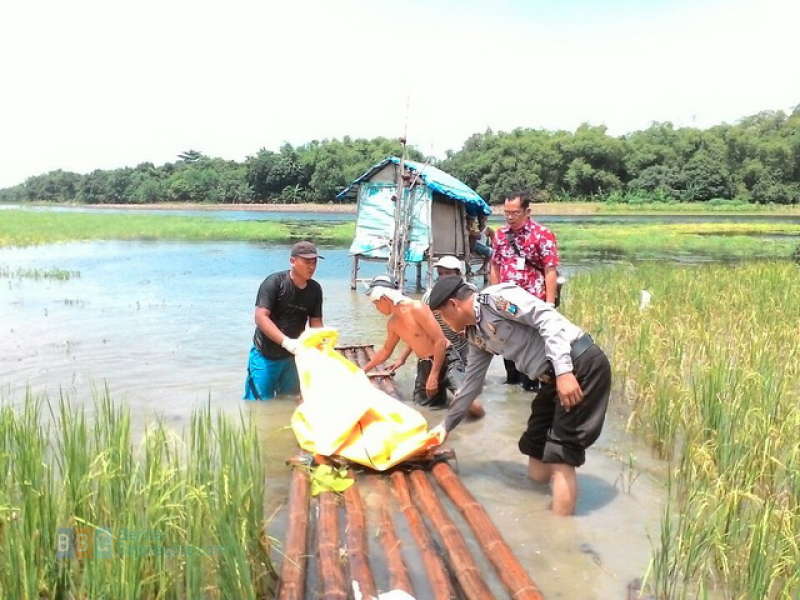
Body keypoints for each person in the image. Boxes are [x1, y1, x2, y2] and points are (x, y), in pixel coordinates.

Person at [427, 276, 610, 516]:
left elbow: (548, 319)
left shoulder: (497, 300)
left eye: (442, 316)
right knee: (535, 442)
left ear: (453, 304)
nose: (444, 322)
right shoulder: (475, 334)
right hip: (552, 378)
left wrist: (564, 371)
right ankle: (535, 514)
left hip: (579, 365)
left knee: (561, 452)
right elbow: (471, 384)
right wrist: (445, 427)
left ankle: (560, 531)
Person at [361, 276, 483, 418]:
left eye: (376, 304)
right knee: (424, 410)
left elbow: (439, 341)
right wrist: (363, 370)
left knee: (470, 404)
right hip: (425, 365)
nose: (377, 308)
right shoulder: (393, 323)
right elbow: (386, 351)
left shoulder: (417, 308)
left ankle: (485, 425)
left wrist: (434, 375)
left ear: (384, 299)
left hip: (447, 359)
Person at [490, 190, 560, 388]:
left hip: (532, 302)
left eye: (515, 213)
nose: (510, 217)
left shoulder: (542, 235)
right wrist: (493, 297)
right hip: (506, 303)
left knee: (531, 349)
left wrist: (549, 304)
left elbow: (550, 270)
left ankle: (530, 384)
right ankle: (512, 387)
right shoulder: (500, 235)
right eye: (506, 213)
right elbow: (495, 266)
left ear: (527, 211)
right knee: (507, 344)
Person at [243, 241, 324, 400]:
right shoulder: (275, 282)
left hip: (293, 357)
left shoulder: (315, 289)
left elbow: (316, 324)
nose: (311, 267)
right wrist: (286, 342)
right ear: (292, 261)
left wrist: (323, 346)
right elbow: (260, 317)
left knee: (289, 401)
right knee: (259, 404)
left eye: (314, 262)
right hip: (265, 355)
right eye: (307, 262)